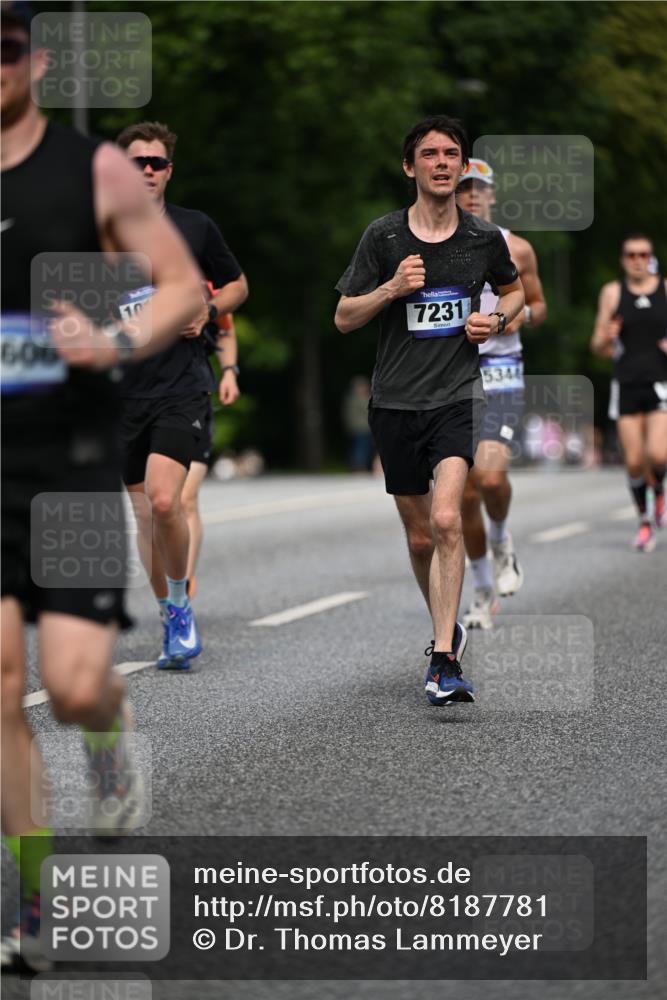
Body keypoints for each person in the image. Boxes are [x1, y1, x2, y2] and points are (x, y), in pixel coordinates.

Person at [1, 1, 203, 972]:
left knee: (75, 686)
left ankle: (111, 732)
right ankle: (36, 902)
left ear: (34, 59)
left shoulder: (96, 169)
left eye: (4, 47)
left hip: (73, 461)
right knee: (1, 686)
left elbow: (181, 286)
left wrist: (110, 340)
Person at [334, 115, 524, 705]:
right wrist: (391, 289)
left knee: (447, 519)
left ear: (463, 167)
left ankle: (443, 660)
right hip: (394, 402)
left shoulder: (482, 239)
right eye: (431, 154)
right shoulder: (384, 237)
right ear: (409, 166)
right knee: (421, 539)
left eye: (452, 154)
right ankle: (448, 625)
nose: (442, 163)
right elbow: (343, 318)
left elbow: (513, 290)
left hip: (457, 397)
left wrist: (495, 319)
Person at [115, 121, 248, 665]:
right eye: (137, 163)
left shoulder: (194, 228)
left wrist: (207, 310)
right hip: (121, 393)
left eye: (157, 163)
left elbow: (238, 285)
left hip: (181, 386)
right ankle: (173, 615)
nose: (147, 171)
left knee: (168, 500)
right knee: (146, 517)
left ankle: (178, 604)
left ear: (170, 170)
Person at [455, 159, 547, 628]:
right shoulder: (440, 245)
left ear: (492, 194)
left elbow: (539, 305)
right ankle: (481, 589)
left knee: (489, 480)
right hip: (453, 374)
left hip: (504, 370)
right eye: (464, 186)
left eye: (479, 188)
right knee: (465, 495)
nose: (472, 194)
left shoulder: (518, 247)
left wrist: (511, 317)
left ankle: (502, 540)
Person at [591, 233, 667, 551]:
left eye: (643, 255)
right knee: (634, 462)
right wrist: (607, 336)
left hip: (660, 382)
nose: (637, 260)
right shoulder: (612, 293)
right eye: (631, 255)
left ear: (650, 257)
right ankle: (644, 521)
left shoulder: (665, 290)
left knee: (658, 455)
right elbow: (597, 347)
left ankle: (659, 492)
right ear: (623, 260)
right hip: (625, 384)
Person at [183, 305, 241, 598]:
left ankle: (183, 581)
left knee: (184, 499)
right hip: (138, 400)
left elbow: (226, 329)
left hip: (192, 397)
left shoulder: (197, 277)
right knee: (153, 507)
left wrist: (229, 371)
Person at [342, 375, 374, 472]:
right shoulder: (358, 399)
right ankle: (359, 467)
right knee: (361, 449)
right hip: (361, 428)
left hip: (359, 428)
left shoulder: (350, 399)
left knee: (360, 448)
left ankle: (360, 467)